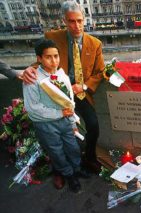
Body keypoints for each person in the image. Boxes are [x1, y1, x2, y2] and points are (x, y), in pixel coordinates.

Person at [23, 1, 105, 188]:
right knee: (54, 139)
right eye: (71, 21)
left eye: (79, 21)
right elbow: (42, 60)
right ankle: (59, 170)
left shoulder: (95, 43)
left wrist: (83, 86)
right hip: (54, 93)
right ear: (64, 22)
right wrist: (29, 69)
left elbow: (100, 72)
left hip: (79, 93)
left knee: (93, 126)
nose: (76, 26)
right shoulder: (52, 36)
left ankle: (88, 158)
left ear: (84, 20)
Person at [23, 39, 90, 193]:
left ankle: (77, 168)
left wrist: (72, 122)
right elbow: (33, 108)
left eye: (56, 56)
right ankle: (69, 175)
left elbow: (69, 101)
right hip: (46, 124)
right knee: (56, 151)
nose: (54, 61)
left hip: (65, 120)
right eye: (48, 57)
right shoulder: (32, 79)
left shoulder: (62, 75)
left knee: (72, 147)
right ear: (39, 59)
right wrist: (59, 113)